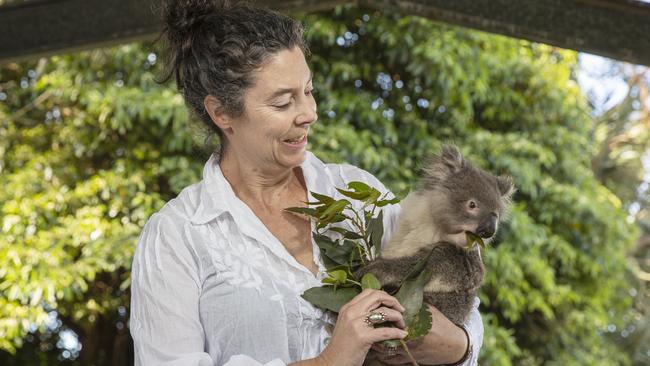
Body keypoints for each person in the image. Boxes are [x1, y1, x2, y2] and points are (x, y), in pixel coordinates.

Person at [128, 1, 483, 365]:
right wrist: (329, 361)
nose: (309, 114)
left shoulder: (359, 192)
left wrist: (459, 345)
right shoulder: (177, 235)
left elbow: (460, 304)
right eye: (283, 103)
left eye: (308, 91)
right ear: (222, 113)